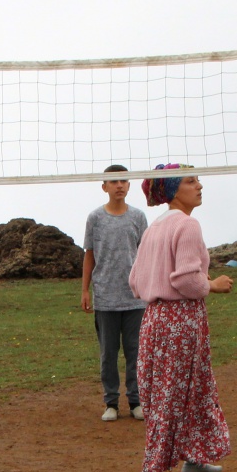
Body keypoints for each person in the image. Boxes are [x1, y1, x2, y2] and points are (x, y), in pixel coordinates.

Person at [126, 165, 233, 472]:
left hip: (155, 319)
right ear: (173, 190)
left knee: (194, 387)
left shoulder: (153, 228)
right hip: (180, 320)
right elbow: (187, 279)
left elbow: (134, 281)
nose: (199, 185)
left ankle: (194, 456)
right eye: (191, 181)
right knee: (171, 393)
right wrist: (212, 285)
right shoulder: (186, 225)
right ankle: (151, 471)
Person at [81, 164, 148, 422]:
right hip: (106, 298)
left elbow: (146, 254)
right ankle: (111, 402)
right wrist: (85, 289)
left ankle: (136, 401)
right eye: (114, 181)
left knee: (136, 352)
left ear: (129, 185)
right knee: (108, 354)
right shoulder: (95, 218)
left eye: (123, 181)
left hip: (135, 298)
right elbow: (89, 254)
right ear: (104, 187)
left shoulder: (139, 217)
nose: (119, 185)